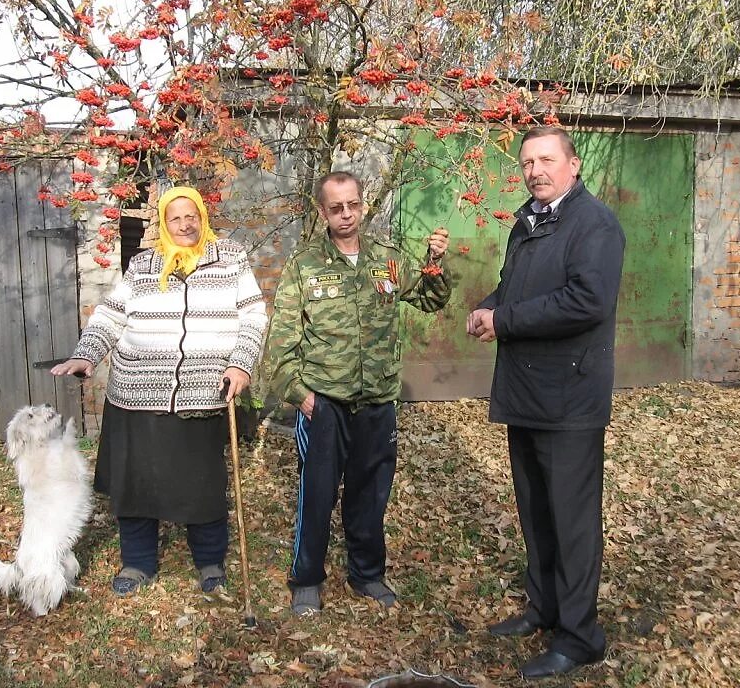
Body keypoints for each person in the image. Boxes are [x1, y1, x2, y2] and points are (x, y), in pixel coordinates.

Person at [51, 186, 267, 596]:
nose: (185, 224)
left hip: (202, 392)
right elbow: (111, 317)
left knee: (202, 487)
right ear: (163, 224)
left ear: (202, 217)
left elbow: (253, 315)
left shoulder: (230, 258)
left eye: (192, 216)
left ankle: (209, 562)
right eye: (175, 218)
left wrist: (240, 363)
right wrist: (86, 355)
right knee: (136, 486)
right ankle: (137, 563)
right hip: (136, 394)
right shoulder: (143, 266)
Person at [467, 127, 625, 679]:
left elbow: (587, 301)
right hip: (527, 392)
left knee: (572, 520)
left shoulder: (594, 223)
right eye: (528, 161)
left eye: (547, 160)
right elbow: (515, 287)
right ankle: (545, 608)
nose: (536, 170)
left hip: (569, 398)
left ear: (573, 165)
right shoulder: (529, 221)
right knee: (537, 512)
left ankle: (580, 636)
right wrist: (489, 306)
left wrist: (503, 319)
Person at [266, 171, 451, 616]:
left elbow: (429, 299)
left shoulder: (388, 260)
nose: (345, 215)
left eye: (352, 205)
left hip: (377, 402)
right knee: (318, 495)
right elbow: (281, 342)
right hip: (324, 404)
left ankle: (367, 574)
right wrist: (302, 396)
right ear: (322, 212)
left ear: (363, 205)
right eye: (335, 208)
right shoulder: (305, 265)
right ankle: (307, 579)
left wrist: (435, 262)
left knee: (371, 494)